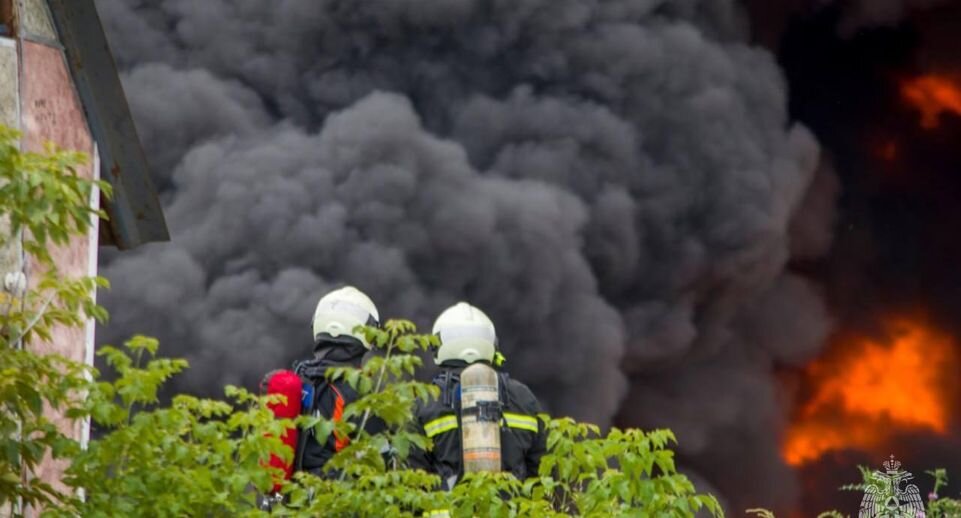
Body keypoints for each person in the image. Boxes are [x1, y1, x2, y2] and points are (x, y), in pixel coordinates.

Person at [408, 302, 547, 489]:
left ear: (438, 347)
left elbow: (412, 478)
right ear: (492, 345)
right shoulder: (523, 398)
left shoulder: (425, 402)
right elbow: (543, 472)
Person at [292, 285, 384, 476]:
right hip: (335, 500)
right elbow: (379, 462)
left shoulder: (296, 379)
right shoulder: (361, 393)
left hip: (288, 498)